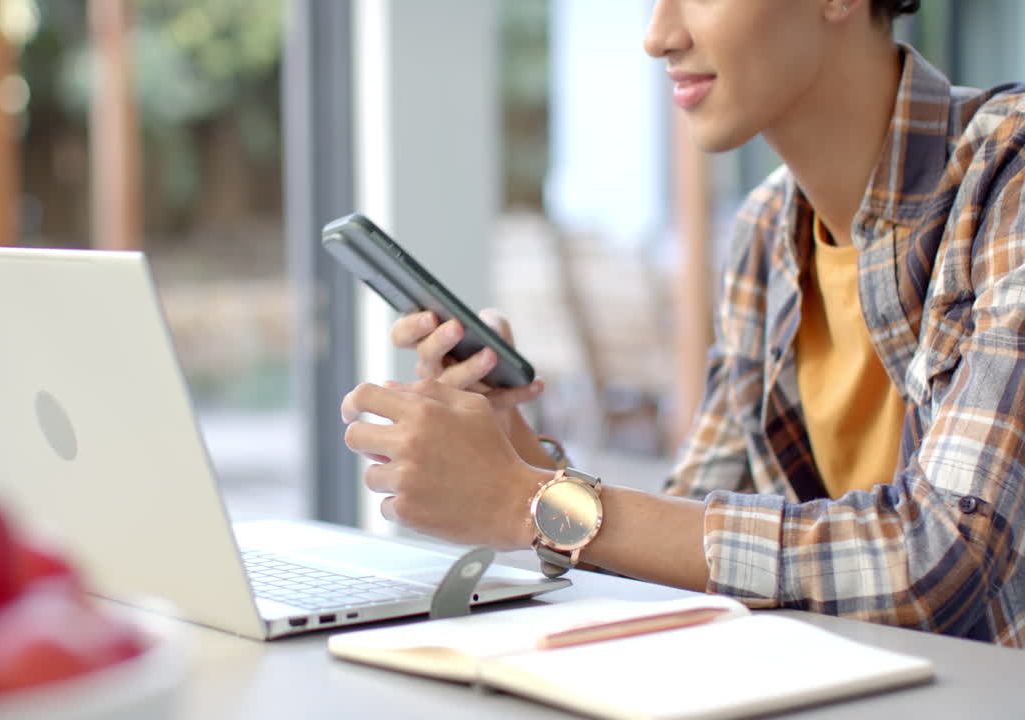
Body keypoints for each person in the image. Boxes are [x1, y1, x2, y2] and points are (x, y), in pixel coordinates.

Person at [340, 0, 1025, 646]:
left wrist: (531, 502)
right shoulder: (766, 232)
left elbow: (943, 557)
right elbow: (681, 544)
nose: (657, 34)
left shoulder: (1008, 177)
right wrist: (517, 456)